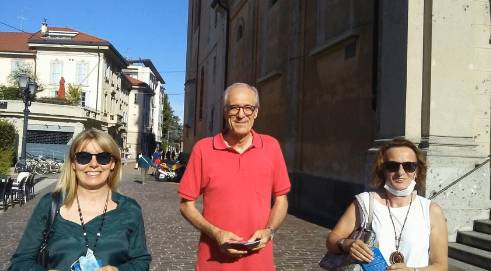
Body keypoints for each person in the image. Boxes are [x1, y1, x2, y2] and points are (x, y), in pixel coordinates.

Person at [178, 83, 291, 271]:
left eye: (248, 108)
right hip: (213, 263)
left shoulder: (271, 147)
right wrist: (216, 233)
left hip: (259, 263)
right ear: (225, 112)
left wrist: (269, 231)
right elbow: (185, 205)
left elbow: (281, 199)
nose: (241, 114)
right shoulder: (203, 149)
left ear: (256, 112)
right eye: (234, 108)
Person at [9, 128, 151, 271]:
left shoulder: (130, 209)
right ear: (73, 163)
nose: (94, 164)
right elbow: (21, 261)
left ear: (113, 163)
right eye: (84, 157)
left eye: (103, 157)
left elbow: (140, 261)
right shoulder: (49, 204)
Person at [326, 138, 448, 270]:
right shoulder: (366, 203)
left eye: (409, 166)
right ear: (383, 170)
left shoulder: (431, 210)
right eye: (392, 166)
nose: (400, 172)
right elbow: (332, 239)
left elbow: (441, 266)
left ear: (417, 171)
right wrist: (346, 244)